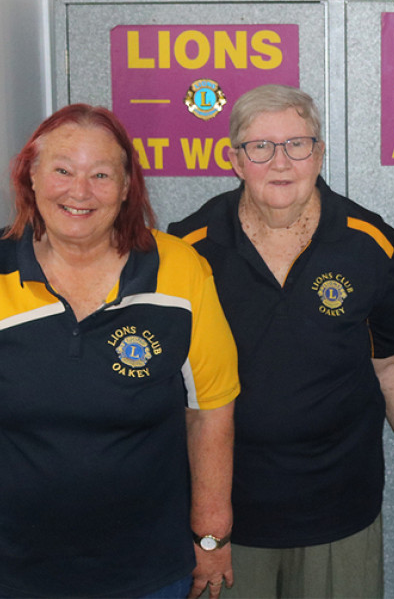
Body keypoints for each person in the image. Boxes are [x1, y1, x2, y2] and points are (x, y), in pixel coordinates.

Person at [168, 84, 394, 598]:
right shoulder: (190, 247)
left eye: (297, 143)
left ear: (318, 154)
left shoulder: (369, 240)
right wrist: (201, 525)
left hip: (340, 509)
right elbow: (174, 393)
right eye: (260, 146)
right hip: (226, 516)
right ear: (235, 159)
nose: (280, 161)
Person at [0, 104, 240, 598]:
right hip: (17, 569)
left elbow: (210, 409)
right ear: (31, 175)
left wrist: (212, 535)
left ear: (127, 187)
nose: (79, 191)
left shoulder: (179, 268)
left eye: (101, 174)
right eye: (63, 170)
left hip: (149, 568)